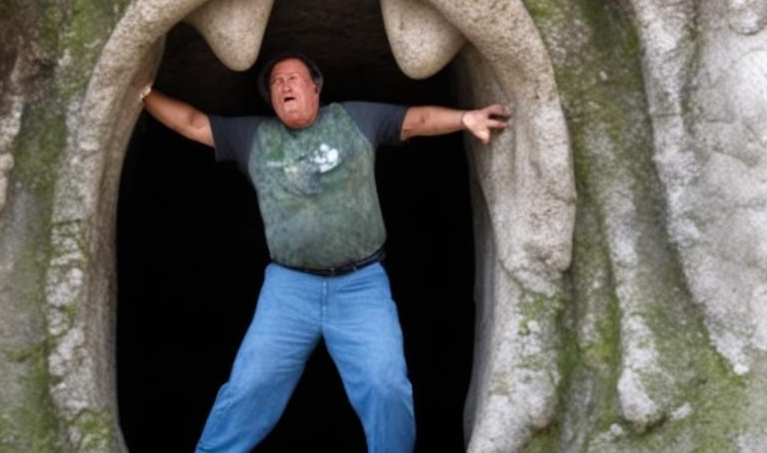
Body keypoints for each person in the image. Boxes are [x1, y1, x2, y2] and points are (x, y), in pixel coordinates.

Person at [141, 52, 510, 453]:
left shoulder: (355, 120)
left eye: (293, 78)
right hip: (289, 289)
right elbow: (191, 123)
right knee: (251, 386)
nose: (284, 85)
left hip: (361, 285)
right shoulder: (254, 137)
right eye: (276, 82)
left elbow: (417, 120)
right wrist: (142, 91)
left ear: (315, 88)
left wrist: (465, 119)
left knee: (386, 386)